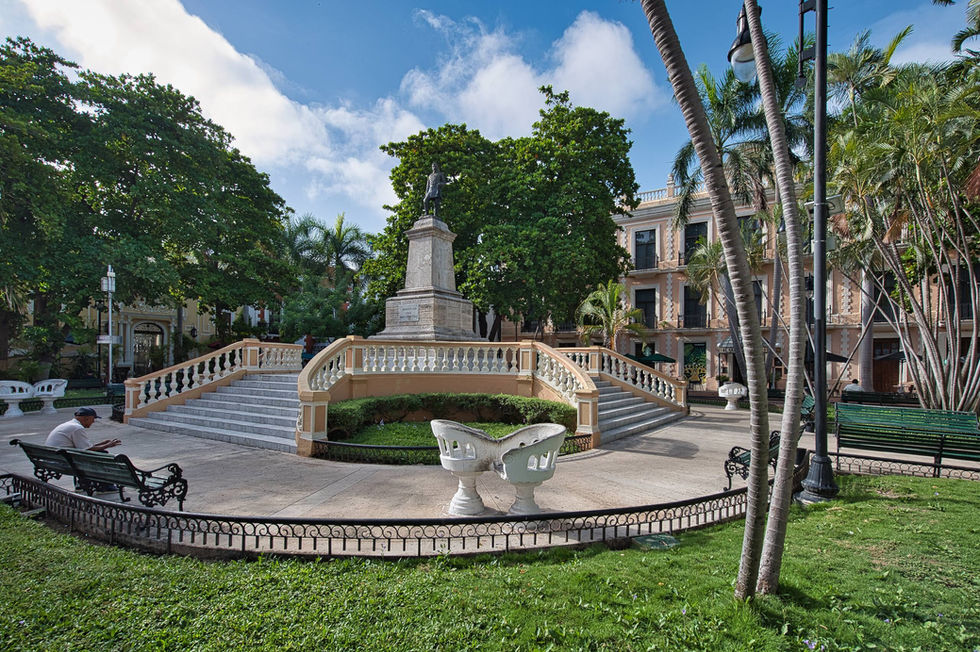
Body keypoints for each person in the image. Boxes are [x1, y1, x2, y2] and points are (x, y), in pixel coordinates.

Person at [46, 407, 121, 452]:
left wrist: (103, 443)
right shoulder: (77, 428)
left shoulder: (71, 424)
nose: (93, 421)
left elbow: (84, 447)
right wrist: (108, 445)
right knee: (103, 454)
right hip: (63, 460)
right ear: (86, 418)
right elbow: (87, 450)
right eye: (93, 419)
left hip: (55, 457)